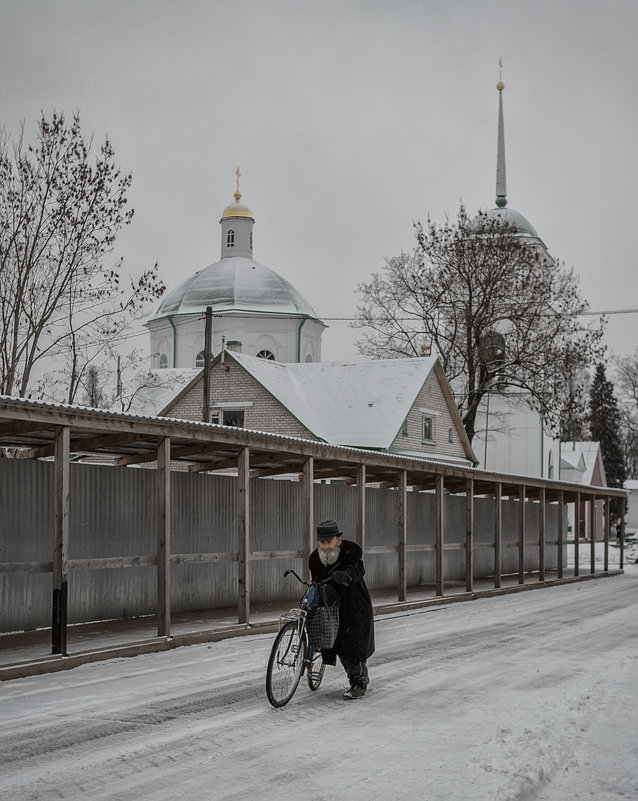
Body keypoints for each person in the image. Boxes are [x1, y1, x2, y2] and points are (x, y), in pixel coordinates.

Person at [308, 519, 375, 699]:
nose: (326, 546)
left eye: (329, 541)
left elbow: (358, 569)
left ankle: (358, 682)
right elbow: (316, 581)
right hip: (330, 607)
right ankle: (353, 677)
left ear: (338, 539)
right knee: (334, 642)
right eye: (322, 542)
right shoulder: (315, 559)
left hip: (354, 607)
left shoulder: (351, 551)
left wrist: (346, 576)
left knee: (353, 648)